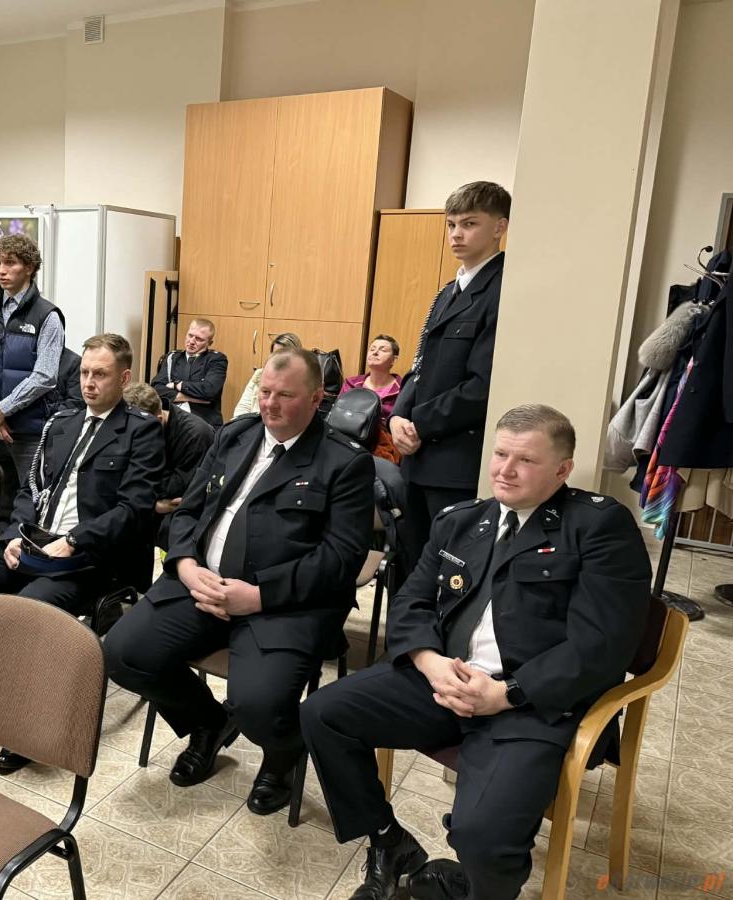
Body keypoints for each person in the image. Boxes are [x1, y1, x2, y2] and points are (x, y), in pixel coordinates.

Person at [300, 404, 651, 900]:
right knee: (323, 714)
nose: (506, 470)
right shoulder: (463, 521)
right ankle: (388, 842)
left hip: (529, 705)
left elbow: (602, 644)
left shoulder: (599, 527)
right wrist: (430, 663)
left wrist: (506, 694)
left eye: (525, 460)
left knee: (482, 837)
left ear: (563, 470)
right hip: (444, 681)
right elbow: (411, 601)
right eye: (500, 454)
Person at [105, 348, 374, 815]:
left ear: (317, 399)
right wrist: (185, 566)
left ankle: (283, 755)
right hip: (202, 585)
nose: (269, 404)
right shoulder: (235, 435)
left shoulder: (344, 462)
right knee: (123, 654)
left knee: (257, 704)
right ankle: (207, 723)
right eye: (265, 391)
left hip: (282, 605)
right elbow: (188, 511)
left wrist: (259, 596)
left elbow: (340, 560)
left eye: (285, 395)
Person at [0, 333, 163, 770]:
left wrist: (73, 540)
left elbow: (133, 511)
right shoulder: (63, 422)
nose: (89, 382)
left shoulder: (140, 432)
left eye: (100, 374)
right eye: (85, 373)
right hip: (33, 542)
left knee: (28, 608)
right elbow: (28, 489)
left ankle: (23, 723)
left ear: (124, 378)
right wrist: (15, 533)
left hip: (89, 557)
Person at [390, 182, 510, 558]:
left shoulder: (503, 289)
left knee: (449, 567)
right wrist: (397, 415)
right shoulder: (448, 291)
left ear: (499, 227)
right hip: (416, 458)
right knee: (410, 565)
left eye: (470, 224)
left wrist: (419, 423)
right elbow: (420, 365)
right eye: (452, 224)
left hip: (455, 463)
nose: (457, 234)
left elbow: (483, 386)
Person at [0, 233, 65, 531]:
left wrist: (2, 410)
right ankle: (0, 552)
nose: (1, 271)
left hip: (30, 429)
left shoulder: (47, 316)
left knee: (32, 502)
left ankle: (26, 552)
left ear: (30, 268)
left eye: (10, 263)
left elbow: (45, 376)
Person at [122, 382, 215, 551]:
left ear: (158, 420)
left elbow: (177, 491)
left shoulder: (196, 435)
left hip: (185, 517)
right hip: (147, 507)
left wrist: (141, 493)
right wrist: (153, 503)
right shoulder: (134, 423)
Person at [152, 318, 228, 427]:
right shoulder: (172, 357)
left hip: (203, 422)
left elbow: (209, 390)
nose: (191, 342)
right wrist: (192, 397)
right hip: (171, 419)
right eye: (190, 335)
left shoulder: (216, 360)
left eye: (199, 339)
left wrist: (177, 385)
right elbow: (156, 389)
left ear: (209, 343)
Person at [233, 332, 302, 417]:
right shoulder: (259, 375)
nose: (278, 359)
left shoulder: (300, 382)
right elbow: (242, 409)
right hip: (252, 423)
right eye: (275, 354)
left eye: (283, 355)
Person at [340, 334, 402, 422]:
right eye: (372, 349)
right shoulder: (351, 384)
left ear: (394, 360)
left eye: (383, 350)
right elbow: (339, 413)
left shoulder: (403, 389)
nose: (375, 352)